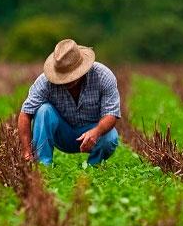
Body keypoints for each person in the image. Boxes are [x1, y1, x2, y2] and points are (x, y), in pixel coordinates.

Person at [18, 38, 121, 166]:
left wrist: (96, 132)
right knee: (43, 110)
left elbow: (111, 114)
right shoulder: (45, 82)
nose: (67, 80)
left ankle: (93, 167)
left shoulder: (103, 76)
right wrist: (27, 152)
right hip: (62, 134)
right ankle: (43, 166)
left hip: (92, 132)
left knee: (110, 137)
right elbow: (25, 114)